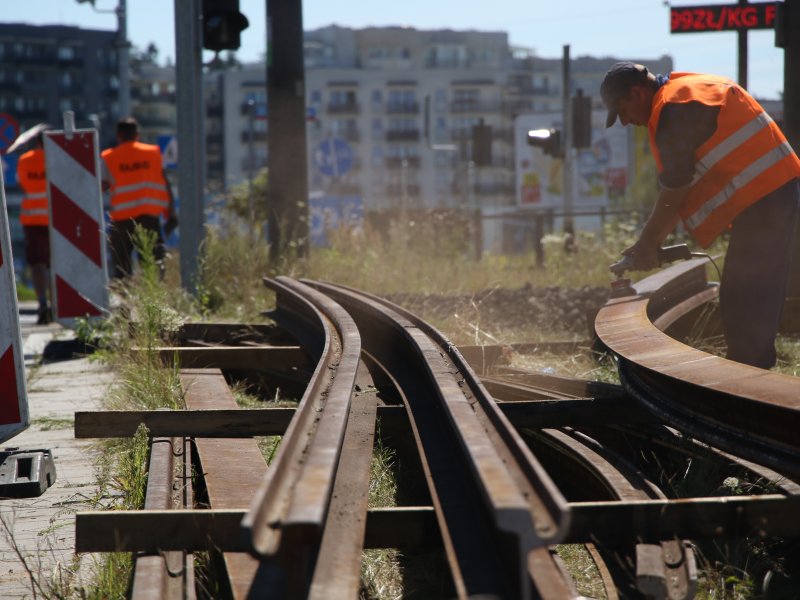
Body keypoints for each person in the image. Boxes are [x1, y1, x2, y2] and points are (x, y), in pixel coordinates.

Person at [601, 62, 800, 369]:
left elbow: (676, 188)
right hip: (769, 193)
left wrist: (648, 243)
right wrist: (649, 243)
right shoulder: (684, 92)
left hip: (767, 196)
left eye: (622, 112)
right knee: (743, 293)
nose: (626, 122)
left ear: (637, 93)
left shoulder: (673, 108)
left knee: (747, 295)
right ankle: (749, 371)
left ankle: (749, 379)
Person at [101, 117, 176, 279]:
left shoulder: (109, 157)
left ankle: (124, 293)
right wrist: (171, 212)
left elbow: (101, 186)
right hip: (148, 217)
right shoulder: (153, 153)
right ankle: (152, 293)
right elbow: (165, 182)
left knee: (121, 267)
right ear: (137, 135)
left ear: (119, 136)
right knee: (152, 264)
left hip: (121, 220)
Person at [16, 133, 52, 324]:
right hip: (56, 220)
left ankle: (43, 303)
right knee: (55, 265)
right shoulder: (58, 158)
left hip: (32, 219)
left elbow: (22, 184)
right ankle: (57, 305)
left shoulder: (25, 160)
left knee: (37, 264)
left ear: (37, 142)